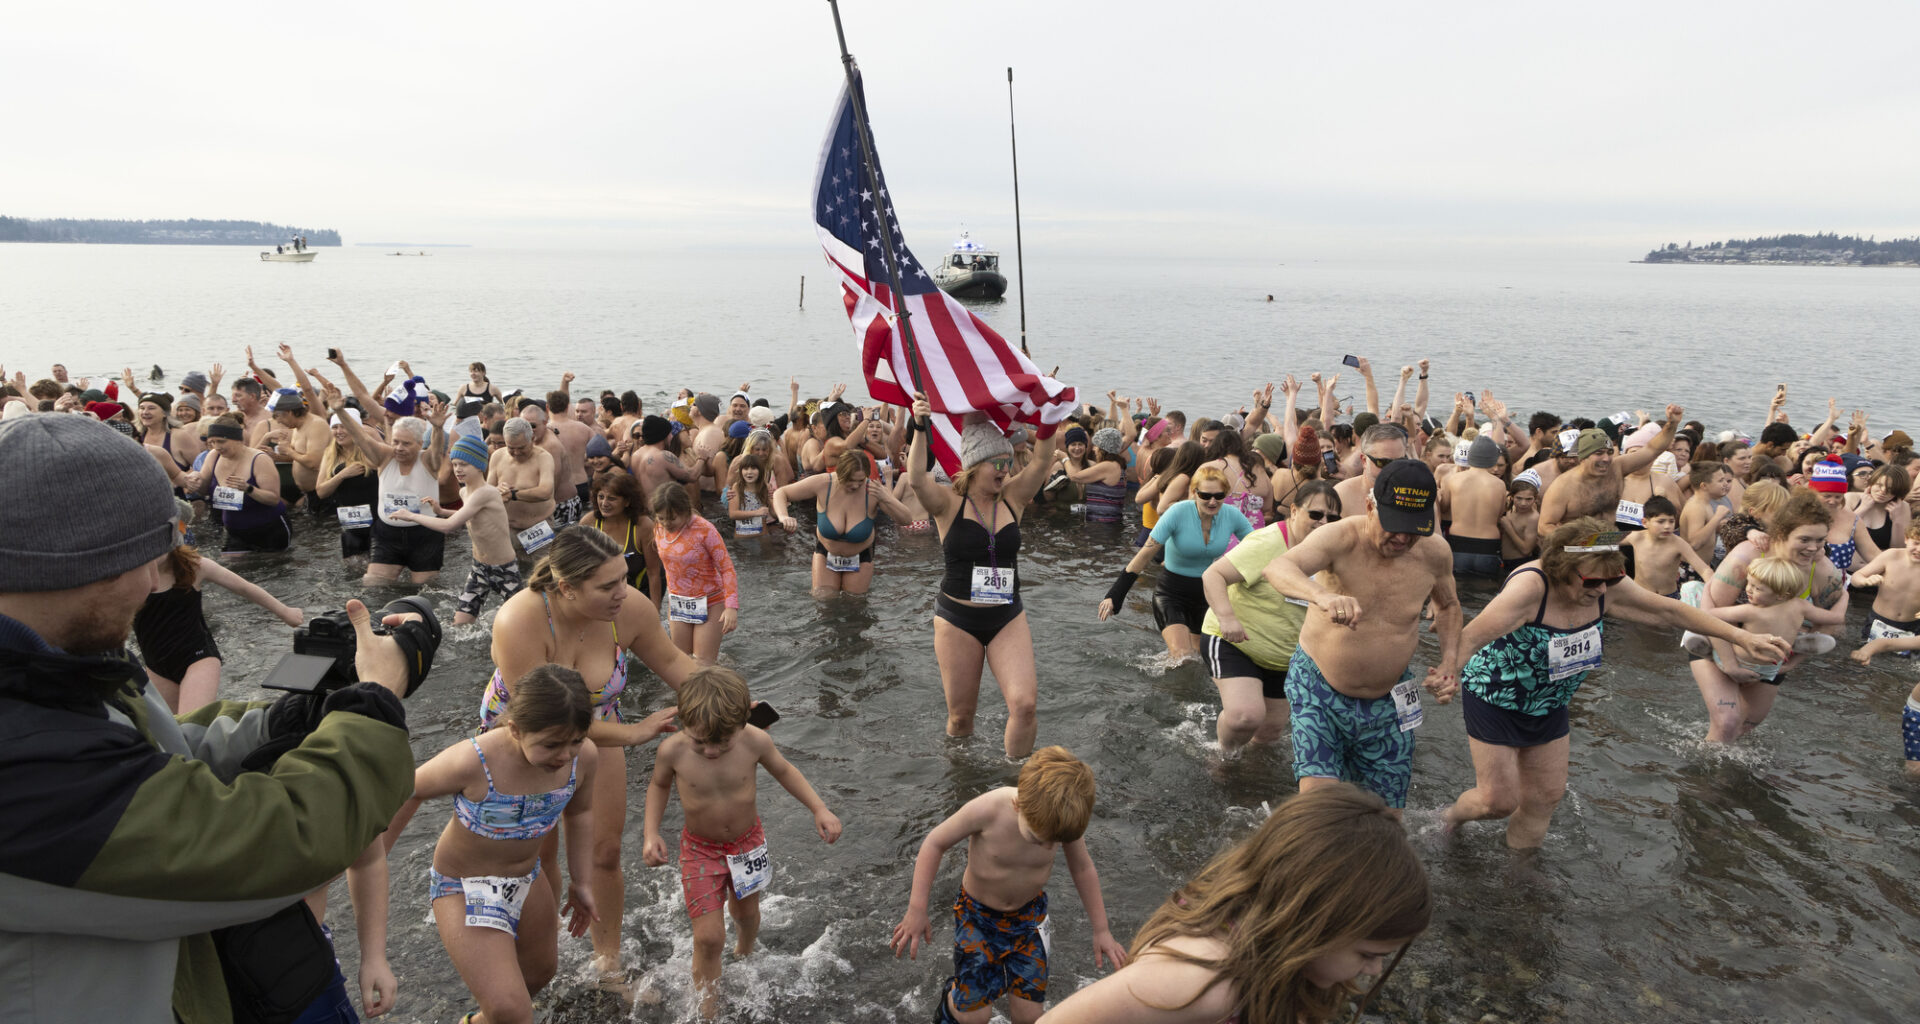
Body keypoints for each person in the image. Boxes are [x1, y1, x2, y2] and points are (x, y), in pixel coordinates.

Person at [0, 413, 421, 1024]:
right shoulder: (24, 753)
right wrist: (376, 704)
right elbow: (271, 849)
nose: (155, 583)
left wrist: (297, 716)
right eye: (148, 558)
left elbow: (161, 757)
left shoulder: (58, 664)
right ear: (84, 562)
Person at [1440, 519, 1790, 847]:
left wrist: (1740, 639)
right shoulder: (1530, 588)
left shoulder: (1606, 583)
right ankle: (1449, 820)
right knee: (1498, 801)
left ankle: (1519, 874)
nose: (1602, 589)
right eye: (1592, 581)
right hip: (1496, 696)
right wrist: (1447, 673)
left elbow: (1671, 611)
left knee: (1544, 799)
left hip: (1550, 701)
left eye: (1612, 578)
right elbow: (1471, 638)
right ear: (1563, 569)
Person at [479, 525, 685, 984]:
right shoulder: (520, 619)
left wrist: (726, 698)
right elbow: (546, 723)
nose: (623, 592)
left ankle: (607, 964)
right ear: (567, 588)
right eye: (608, 585)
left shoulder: (627, 608)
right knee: (541, 853)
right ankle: (542, 950)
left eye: (624, 577)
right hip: (528, 734)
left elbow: (673, 663)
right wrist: (633, 734)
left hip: (598, 727)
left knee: (606, 851)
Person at [1036, 784, 1430, 1024]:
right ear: (1312, 917)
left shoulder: (1281, 950)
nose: (1373, 969)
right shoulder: (1201, 980)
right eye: (1367, 953)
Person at [390, 665, 600, 1024]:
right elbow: (408, 789)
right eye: (551, 744)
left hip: (525, 879)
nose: (565, 755)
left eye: (576, 740)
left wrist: (581, 882)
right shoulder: (475, 761)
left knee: (538, 975)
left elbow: (579, 815)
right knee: (511, 1009)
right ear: (515, 729)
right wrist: (373, 857)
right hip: (463, 886)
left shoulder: (584, 759)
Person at [1260, 459, 1461, 809]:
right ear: (1370, 505)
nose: (1402, 538)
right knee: (1321, 805)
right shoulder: (1340, 537)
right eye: (1394, 525)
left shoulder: (1435, 553)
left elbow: (1449, 606)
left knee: (1385, 817)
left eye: (1414, 529)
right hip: (1319, 687)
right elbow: (1278, 567)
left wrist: (1449, 662)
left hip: (1391, 697)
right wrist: (1322, 595)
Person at [642, 666, 842, 1019]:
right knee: (707, 938)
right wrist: (651, 832)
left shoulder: (754, 740)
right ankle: (708, 1009)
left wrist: (819, 808)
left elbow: (784, 771)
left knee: (747, 912)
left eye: (722, 741)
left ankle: (745, 951)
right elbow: (658, 786)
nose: (711, 751)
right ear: (682, 721)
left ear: (744, 719)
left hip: (747, 845)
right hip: (700, 850)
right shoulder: (672, 750)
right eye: (700, 741)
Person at [890, 746, 1126, 1024]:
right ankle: (951, 1003)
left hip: (1030, 922)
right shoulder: (990, 809)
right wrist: (917, 908)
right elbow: (935, 843)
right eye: (1039, 839)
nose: (1049, 846)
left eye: (1055, 843)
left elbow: (1083, 868)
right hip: (977, 919)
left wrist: (1101, 929)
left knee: (1030, 1018)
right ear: (1019, 804)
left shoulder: (1060, 820)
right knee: (974, 1017)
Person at [907, 394, 1059, 758]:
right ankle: (963, 783)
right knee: (961, 719)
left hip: (1007, 616)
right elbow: (915, 478)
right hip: (958, 620)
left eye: (1007, 462)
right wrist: (918, 425)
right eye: (998, 463)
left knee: (1024, 706)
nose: (1006, 469)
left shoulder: (1014, 498)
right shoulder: (948, 504)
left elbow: (1041, 460)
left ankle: (1017, 788)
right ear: (974, 465)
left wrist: (1051, 417)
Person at [1199, 481, 1342, 753]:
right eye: (1316, 514)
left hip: (1285, 657)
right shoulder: (1269, 541)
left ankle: (1250, 780)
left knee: (1269, 732)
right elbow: (1213, 575)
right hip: (1235, 642)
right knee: (1246, 717)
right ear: (1295, 511)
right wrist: (1227, 617)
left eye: (1332, 518)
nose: (1324, 523)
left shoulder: (1334, 552)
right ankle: (1222, 758)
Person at [136, 527, 304, 713]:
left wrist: (284, 612)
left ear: (174, 541)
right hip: (156, 664)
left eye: (158, 543)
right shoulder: (130, 578)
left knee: (191, 724)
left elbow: (244, 588)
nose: (153, 551)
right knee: (170, 733)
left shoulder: (194, 566)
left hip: (197, 659)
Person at [1099, 466, 1255, 660]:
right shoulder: (1177, 512)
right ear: (1194, 492)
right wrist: (1115, 594)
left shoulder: (1231, 515)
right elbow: (1145, 555)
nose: (1212, 501)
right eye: (1205, 495)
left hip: (1206, 596)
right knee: (1183, 656)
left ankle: (1164, 668)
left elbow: (1257, 545)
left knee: (1199, 659)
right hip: (1171, 595)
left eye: (1219, 495)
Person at [1683, 555, 1844, 735]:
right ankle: (1796, 641)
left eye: (1757, 588)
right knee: (1746, 724)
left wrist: (1707, 590)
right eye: (1749, 583)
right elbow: (1836, 618)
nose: (1749, 590)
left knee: (1695, 596)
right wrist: (1844, 595)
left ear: (1782, 594)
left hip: (1739, 662)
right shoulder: (1801, 606)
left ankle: (1706, 645)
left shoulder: (1750, 611)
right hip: (1770, 670)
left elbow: (1709, 614)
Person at [389, 434, 520, 625]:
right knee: (459, 625)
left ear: (479, 465)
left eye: (464, 464)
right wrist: (441, 510)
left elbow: (449, 526)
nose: (457, 469)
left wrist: (411, 515)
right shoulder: (464, 491)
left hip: (504, 569)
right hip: (479, 569)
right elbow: (471, 515)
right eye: (455, 464)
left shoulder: (486, 493)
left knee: (522, 621)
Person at [774, 449, 916, 598]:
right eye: (850, 480)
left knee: (854, 605)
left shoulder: (873, 490)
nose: (855, 485)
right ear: (840, 473)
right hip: (826, 554)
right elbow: (781, 493)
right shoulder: (823, 483)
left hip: (860, 557)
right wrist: (783, 516)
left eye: (860, 480)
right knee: (823, 601)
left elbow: (906, 519)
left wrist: (887, 498)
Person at [334, 409, 448, 583]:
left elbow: (437, 449)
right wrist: (339, 410)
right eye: (395, 442)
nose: (399, 448)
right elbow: (360, 438)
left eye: (406, 444)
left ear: (419, 443)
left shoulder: (427, 461)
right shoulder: (385, 457)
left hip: (424, 535)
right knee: (372, 583)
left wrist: (438, 429)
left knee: (424, 588)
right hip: (388, 534)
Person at [1846, 522, 1920, 778]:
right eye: (1915, 542)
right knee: (1866, 670)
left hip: (1911, 628)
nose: (1918, 549)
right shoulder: (1890, 556)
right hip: (1877, 623)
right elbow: (1854, 577)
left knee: (1898, 676)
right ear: (1908, 537)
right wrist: (1866, 579)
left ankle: (1889, 708)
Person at [1537, 405, 1682, 535]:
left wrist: (1672, 423)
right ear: (1582, 457)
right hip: (1574, 551)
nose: (1606, 459)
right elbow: (1544, 526)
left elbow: (1652, 449)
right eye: (1599, 454)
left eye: (1609, 452)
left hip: (1609, 545)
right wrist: (1580, 541)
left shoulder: (1617, 468)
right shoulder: (1563, 486)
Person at [653, 481, 741, 662]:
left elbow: (726, 568)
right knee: (680, 661)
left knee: (702, 664)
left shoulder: (704, 529)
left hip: (710, 601)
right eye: (661, 518)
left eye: (672, 518)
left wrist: (731, 606)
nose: (666, 523)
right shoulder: (658, 528)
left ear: (685, 511)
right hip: (679, 602)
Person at [188, 413, 292, 553]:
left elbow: (273, 499)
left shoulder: (259, 459)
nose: (216, 446)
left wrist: (248, 489)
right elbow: (203, 489)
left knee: (273, 569)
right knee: (231, 569)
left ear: (237, 439)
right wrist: (194, 482)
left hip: (269, 528)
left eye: (221, 441)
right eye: (212, 442)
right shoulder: (213, 456)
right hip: (234, 531)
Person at [589, 467, 664, 607]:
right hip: (605, 591)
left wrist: (655, 609)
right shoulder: (589, 523)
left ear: (627, 502)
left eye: (611, 499)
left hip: (640, 590)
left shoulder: (643, 526)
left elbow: (654, 572)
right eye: (601, 497)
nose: (604, 503)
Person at [490, 417, 559, 559]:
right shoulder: (497, 456)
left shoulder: (544, 458)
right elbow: (487, 491)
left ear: (532, 439)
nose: (516, 452)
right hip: (507, 527)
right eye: (511, 448)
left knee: (541, 573)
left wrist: (513, 494)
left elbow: (545, 491)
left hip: (538, 528)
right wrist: (497, 491)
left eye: (521, 448)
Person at [1441, 435, 1508, 577]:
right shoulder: (1499, 485)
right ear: (1492, 459)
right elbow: (1500, 514)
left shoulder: (1454, 480)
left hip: (1458, 544)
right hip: (1488, 546)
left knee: (1458, 591)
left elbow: (1444, 508)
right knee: (1485, 594)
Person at [1623, 496, 1712, 598]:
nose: (1667, 526)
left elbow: (1704, 570)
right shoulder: (1636, 537)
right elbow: (1604, 539)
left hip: (1669, 596)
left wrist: (1713, 586)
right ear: (1645, 522)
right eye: (1661, 521)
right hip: (1640, 595)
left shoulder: (1678, 543)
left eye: (1671, 521)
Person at [725, 452, 776, 541]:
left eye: (753, 468)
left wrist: (775, 499)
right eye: (745, 468)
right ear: (741, 471)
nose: (749, 472)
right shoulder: (737, 487)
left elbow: (775, 514)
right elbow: (733, 514)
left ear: (760, 471)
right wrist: (756, 513)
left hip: (762, 537)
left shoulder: (766, 487)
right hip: (742, 539)